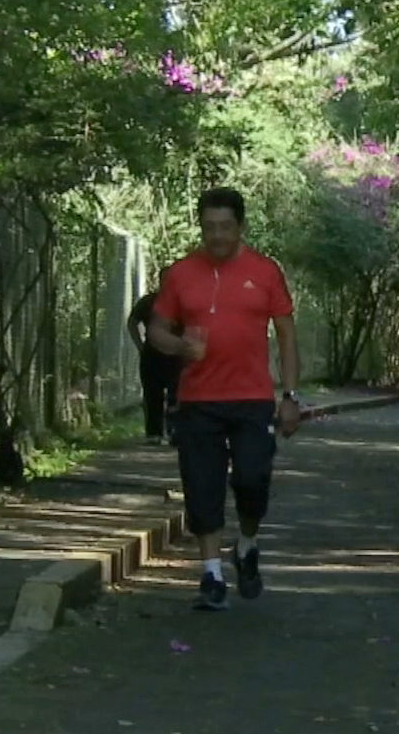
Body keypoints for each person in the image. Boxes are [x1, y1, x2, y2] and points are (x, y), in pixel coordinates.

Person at [144, 187, 304, 611]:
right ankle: (211, 574)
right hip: (198, 400)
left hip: (252, 399)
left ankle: (246, 546)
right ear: (201, 226)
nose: (217, 236)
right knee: (202, 488)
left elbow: (286, 334)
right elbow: (156, 330)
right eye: (209, 227)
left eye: (225, 227)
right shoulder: (180, 274)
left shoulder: (265, 271)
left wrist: (290, 396)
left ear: (240, 227)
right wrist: (178, 347)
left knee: (252, 482)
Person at [127, 291, 182, 445]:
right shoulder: (149, 301)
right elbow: (132, 321)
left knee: (177, 394)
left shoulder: (182, 300)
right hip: (152, 354)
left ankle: (175, 431)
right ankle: (154, 433)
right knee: (152, 393)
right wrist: (139, 344)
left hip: (176, 355)